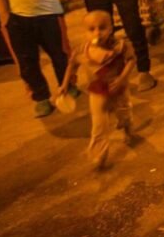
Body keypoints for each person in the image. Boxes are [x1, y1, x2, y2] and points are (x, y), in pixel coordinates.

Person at [56, 10, 135, 170]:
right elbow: (72, 65)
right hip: (97, 92)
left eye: (102, 27)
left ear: (111, 28)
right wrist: (64, 85)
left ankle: (127, 128)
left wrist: (122, 78)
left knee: (124, 113)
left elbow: (132, 60)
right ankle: (100, 154)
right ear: (85, 32)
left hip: (118, 90)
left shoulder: (120, 46)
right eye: (91, 29)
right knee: (98, 126)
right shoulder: (82, 51)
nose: (97, 32)